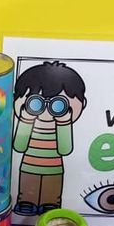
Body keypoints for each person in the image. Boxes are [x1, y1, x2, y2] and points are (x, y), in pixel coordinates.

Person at [12, 60, 87, 216]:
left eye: (58, 105)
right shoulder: (27, 122)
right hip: (28, 166)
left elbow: (65, 149)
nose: (46, 110)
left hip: (54, 168)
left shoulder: (62, 125)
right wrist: (26, 120)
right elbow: (19, 146)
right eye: (35, 102)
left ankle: (50, 204)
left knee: (51, 197)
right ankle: (26, 202)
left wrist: (64, 122)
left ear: (82, 104)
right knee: (27, 195)